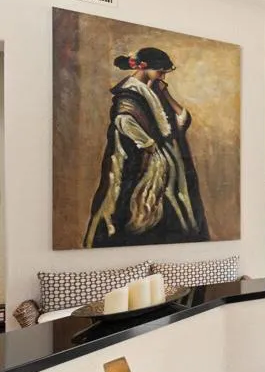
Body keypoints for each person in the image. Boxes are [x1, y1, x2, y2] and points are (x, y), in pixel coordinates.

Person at [84, 47, 209, 247]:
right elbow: (124, 121)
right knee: (135, 213)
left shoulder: (152, 91)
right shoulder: (130, 92)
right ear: (144, 67)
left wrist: (165, 93)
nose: (162, 76)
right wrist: (150, 145)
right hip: (139, 165)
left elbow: (182, 120)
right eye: (160, 71)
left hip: (165, 165)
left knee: (172, 215)